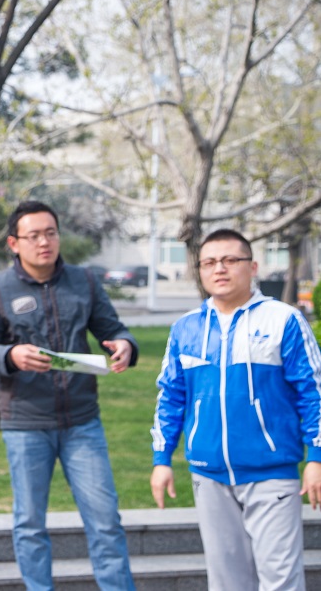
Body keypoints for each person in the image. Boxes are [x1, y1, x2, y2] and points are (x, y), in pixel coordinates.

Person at [0, 200, 137, 591]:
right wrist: (10, 356)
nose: (44, 242)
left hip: (82, 422)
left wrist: (125, 344)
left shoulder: (84, 281)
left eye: (50, 233)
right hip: (25, 424)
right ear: (14, 243)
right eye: (34, 236)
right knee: (30, 524)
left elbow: (114, 329)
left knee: (105, 521)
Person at [150, 228, 321, 590]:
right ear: (199, 269)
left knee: (281, 581)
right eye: (209, 262)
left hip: (271, 472)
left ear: (252, 266)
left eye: (230, 260)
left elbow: (314, 393)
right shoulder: (186, 328)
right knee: (227, 582)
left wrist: (316, 457)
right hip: (209, 474)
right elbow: (170, 398)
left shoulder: (283, 320)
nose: (220, 269)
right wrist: (161, 460)